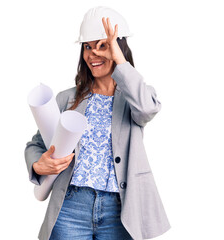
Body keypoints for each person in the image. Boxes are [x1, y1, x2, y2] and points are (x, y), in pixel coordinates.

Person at [25, 6, 171, 240]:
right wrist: (37, 165)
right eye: (87, 47)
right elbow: (36, 144)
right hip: (70, 207)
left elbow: (147, 108)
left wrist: (119, 59)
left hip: (120, 210)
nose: (93, 54)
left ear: (118, 47)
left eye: (102, 45)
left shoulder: (135, 98)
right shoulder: (68, 98)